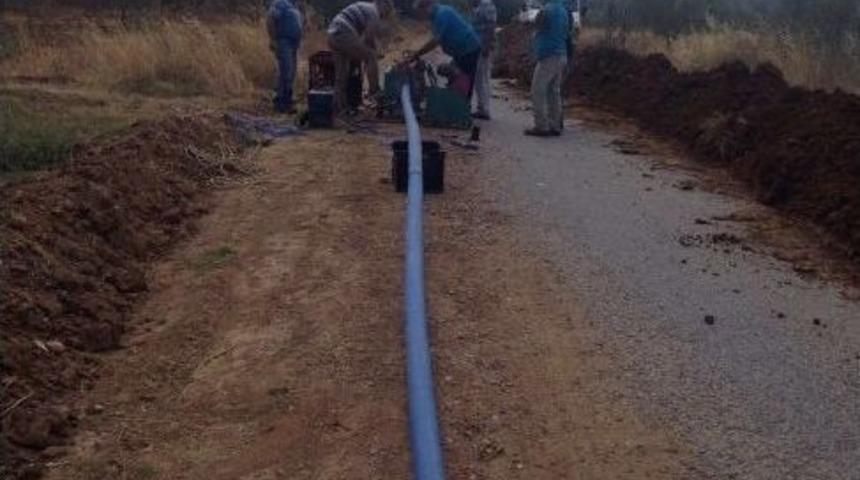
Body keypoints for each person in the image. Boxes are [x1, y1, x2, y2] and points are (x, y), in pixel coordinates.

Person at [327, 0, 394, 114]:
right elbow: (369, 37)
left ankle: (339, 108)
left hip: (333, 34)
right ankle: (374, 91)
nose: (384, 15)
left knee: (341, 74)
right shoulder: (373, 11)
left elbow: (364, 39)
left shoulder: (365, 7)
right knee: (371, 57)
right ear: (382, 4)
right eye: (386, 11)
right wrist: (374, 53)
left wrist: (367, 50)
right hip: (343, 31)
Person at [409, 0, 482, 101]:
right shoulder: (437, 15)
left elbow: (435, 41)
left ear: (426, 7)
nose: (421, 16)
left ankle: (462, 105)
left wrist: (417, 54)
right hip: (461, 51)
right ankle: (458, 102)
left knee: (464, 80)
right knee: (456, 77)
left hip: (468, 48)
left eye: (420, 13)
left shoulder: (441, 14)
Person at [524, 0, 569, 137]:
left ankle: (541, 126)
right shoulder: (563, 10)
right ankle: (555, 125)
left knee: (538, 90)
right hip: (561, 53)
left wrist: (528, 19)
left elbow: (536, 24)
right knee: (553, 91)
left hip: (548, 55)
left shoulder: (547, 10)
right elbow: (566, 32)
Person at [267, 0, 304, 114]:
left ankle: (287, 100)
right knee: (286, 71)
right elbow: (270, 19)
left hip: (294, 43)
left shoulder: (294, 6)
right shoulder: (280, 3)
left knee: (291, 72)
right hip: (283, 42)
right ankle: (280, 102)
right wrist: (273, 40)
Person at [471, 0, 497, 120]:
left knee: (481, 79)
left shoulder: (486, 5)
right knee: (480, 78)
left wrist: (487, 45)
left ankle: (484, 109)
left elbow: (491, 26)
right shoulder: (479, 6)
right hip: (478, 45)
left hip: (483, 46)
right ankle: (481, 107)